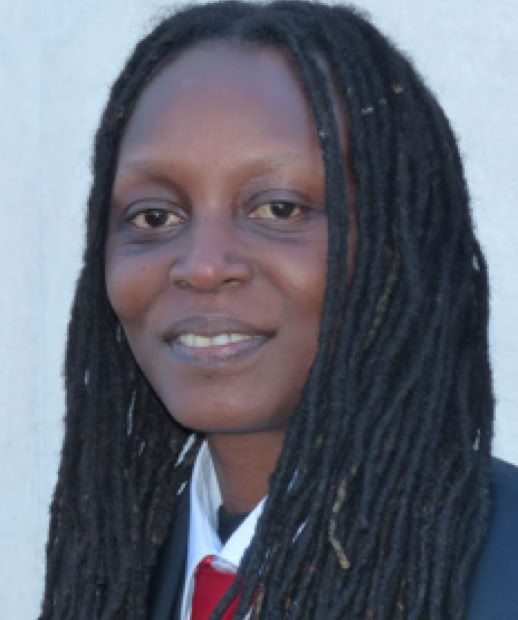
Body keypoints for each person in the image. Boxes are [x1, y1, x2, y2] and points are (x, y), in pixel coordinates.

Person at [39, 2, 518, 619]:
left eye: (280, 209)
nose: (202, 266)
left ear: (397, 249)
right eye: (155, 217)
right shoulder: (115, 569)